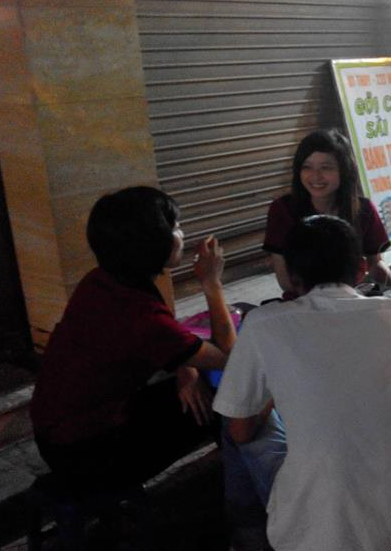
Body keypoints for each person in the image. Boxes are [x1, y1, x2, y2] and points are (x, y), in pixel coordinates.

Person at [213, 215, 391, 551]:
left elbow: (241, 432)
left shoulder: (264, 324)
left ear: (291, 277)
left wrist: (275, 393)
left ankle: (246, 541)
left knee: (235, 423)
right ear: (361, 269)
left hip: (312, 534)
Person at [30, 186, 236, 493]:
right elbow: (230, 357)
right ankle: (240, 490)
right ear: (152, 243)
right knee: (226, 391)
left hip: (57, 433)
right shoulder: (139, 315)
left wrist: (187, 369)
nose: (182, 233)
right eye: (175, 227)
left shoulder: (102, 280)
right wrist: (211, 283)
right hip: (85, 453)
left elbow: (167, 343)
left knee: (197, 383)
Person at [263, 129, 391, 298]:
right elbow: (285, 279)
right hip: (301, 301)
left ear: (344, 170)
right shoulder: (282, 209)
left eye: (326, 168)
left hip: (350, 298)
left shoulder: (364, 210)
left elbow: (375, 263)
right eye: (307, 167)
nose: (316, 176)